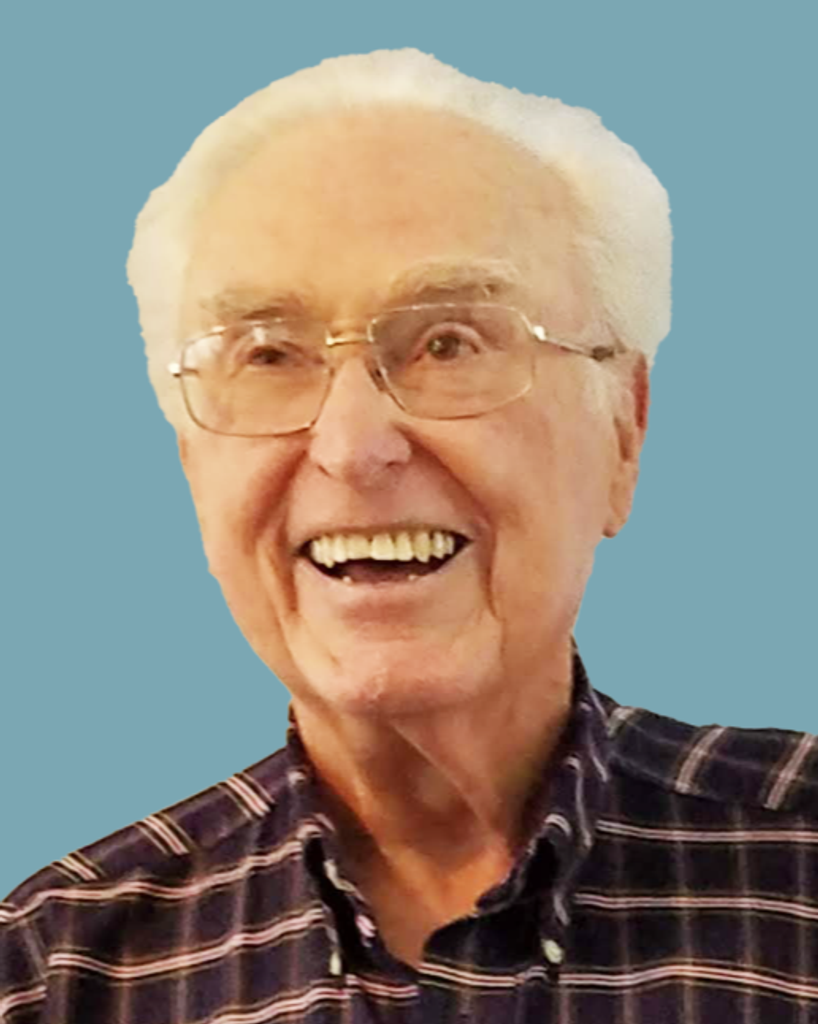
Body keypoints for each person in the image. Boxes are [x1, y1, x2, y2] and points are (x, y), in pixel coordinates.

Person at [2, 49, 816, 1023]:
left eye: (448, 343)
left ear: (623, 433)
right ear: (191, 462)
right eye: (269, 354)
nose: (352, 448)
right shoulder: (53, 973)